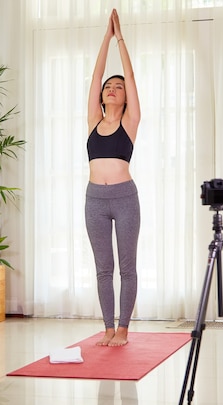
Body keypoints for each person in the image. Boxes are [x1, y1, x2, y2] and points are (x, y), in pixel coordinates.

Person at [85, 9, 141, 347]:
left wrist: (120, 38)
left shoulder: (130, 122)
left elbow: (131, 78)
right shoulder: (93, 120)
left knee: (127, 267)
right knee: (103, 267)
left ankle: (123, 329)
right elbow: (94, 78)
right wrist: (103, 39)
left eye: (118, 87)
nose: (112, 89)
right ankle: (107, 328)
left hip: (124, 198)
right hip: (94, 199)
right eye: (109, 85)